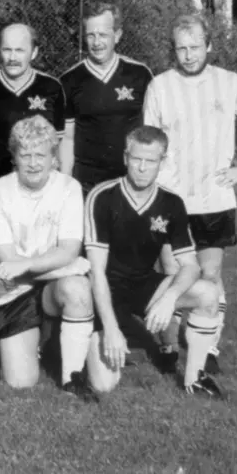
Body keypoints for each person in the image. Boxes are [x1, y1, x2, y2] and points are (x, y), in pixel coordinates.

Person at [142, 13, 237, 375]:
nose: (188, 55)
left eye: (195, 47)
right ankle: (169, 345)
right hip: (170, 198)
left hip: (214, 199)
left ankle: (208, 346)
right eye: (181, 48)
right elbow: (150, 143)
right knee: (174, 272)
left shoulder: (228, 82)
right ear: (173, 50)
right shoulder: (159, 86)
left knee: (210, 273)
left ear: (209, 46)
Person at [83, 125, 224, 399]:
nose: (142, 167)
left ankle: (194, 378)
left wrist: (169, 298)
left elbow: (191, 265)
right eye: (136, 159)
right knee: (103, 385)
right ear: (125, 157)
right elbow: (96, 272)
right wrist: (111, 329)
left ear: (162, 161)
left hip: (143, 285)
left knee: (208, 293)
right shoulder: (102, 197)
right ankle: (93, 336)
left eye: (150, 160)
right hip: (103, 290)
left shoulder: (171, 203)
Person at [0, 116, 97, 402]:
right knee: (20, 382)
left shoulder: (69, 187)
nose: (33, 163)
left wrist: (32, 264)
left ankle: (72, 378)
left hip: (50, 287)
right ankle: (43, 340)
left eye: (40, 155)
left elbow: (68, 249)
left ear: (53, 157)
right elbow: (9, 263)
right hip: (12, 290)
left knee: (77, 288)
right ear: (14, 157)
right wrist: (66, 267)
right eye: (25, 155)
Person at [59, 2, 154, 195]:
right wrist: (65, 183)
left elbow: (153, 131)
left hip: (133, 182)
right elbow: (67, 139)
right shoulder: (69, 80)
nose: (96, 42)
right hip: (87, 185)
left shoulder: (140, 75)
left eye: (103, 35)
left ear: (117, 35)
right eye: (90, 35)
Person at [0, 23, 66, 184]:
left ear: (34, 52)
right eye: (7, 50)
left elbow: (59, 140)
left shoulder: (51, 87)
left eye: (20, 50)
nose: (12, 58)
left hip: (39, 184)